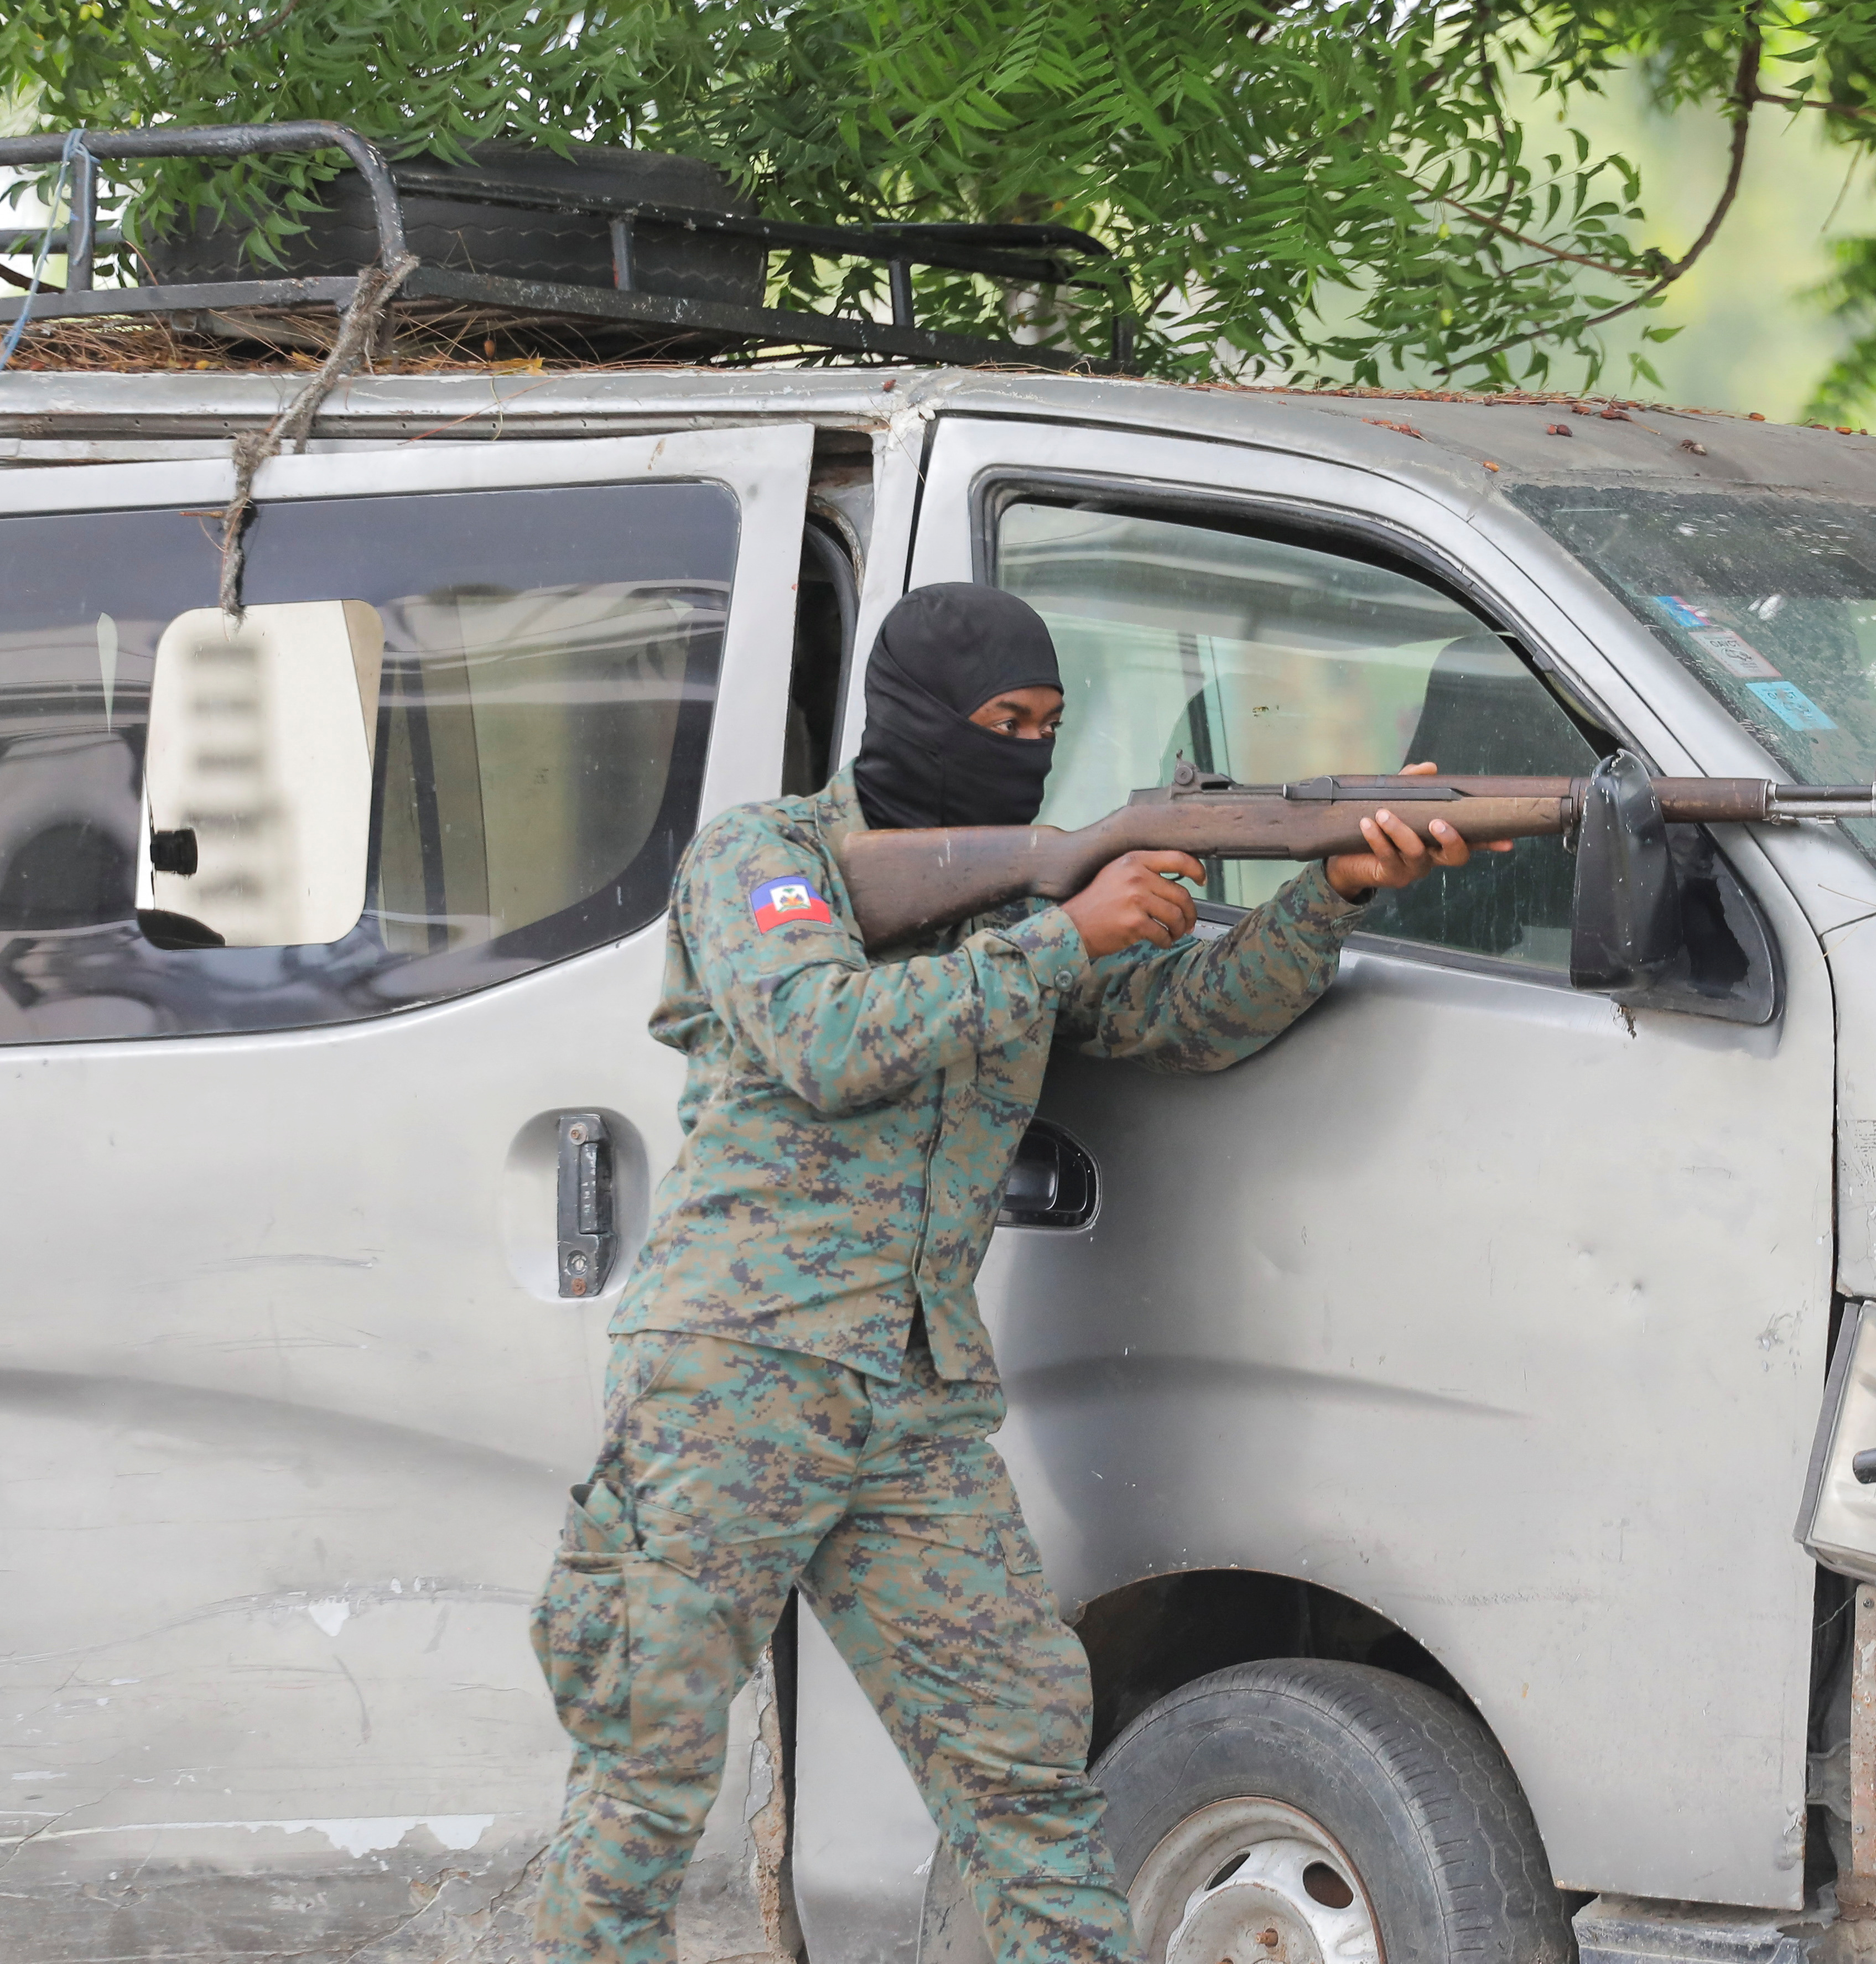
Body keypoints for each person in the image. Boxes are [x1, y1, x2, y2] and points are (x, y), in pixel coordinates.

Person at [530, 583, 1499, 1964]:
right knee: (643, 1786)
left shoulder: (1031, 897)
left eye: (1048, 724)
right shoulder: (767, 858)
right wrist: (1061, 935)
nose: (1028, 747)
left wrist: (1329, 891)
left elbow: (1185, 1017)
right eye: (1001, 720)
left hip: (913, 1409)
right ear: (914, 717)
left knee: (1030, 1787)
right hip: (733, 1382)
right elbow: (824, 1035)